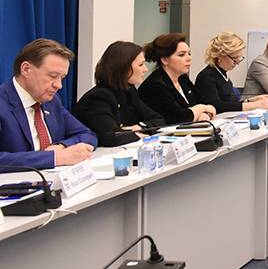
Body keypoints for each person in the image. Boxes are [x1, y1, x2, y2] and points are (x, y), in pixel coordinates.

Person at [0, 39, 97, 170]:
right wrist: (54, 158)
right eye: (52, 76)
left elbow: (87, 135)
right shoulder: (3, 103)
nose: (59, 85)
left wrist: (61, 146)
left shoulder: (52, 101)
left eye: (62, 78)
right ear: (26, 69)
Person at [73, 41, 166, 147]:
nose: (145, 69)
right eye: (140, 65)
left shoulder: (129, 91)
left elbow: (159, 120)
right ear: (123, 67)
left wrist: (140, 127)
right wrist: (136, 135)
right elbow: (112, 137)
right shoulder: (98, 97)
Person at [139, 33, 217, 125]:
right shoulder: (154, 85)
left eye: (189, 53)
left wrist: (205, 114)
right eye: (181, 55)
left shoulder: (182, 78)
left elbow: (205, 103)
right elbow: (179, 118)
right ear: (165, 60)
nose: (189, 58)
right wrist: (202, 108)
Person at [193, 32, 268, 114]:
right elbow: (216, 106)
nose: (237, 63)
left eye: (239, 58)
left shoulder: (222, 74)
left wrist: (252, 100)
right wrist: (254, 105)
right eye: (235, 58)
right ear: (220, 56)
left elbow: (230, 104)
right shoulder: (207, 77)